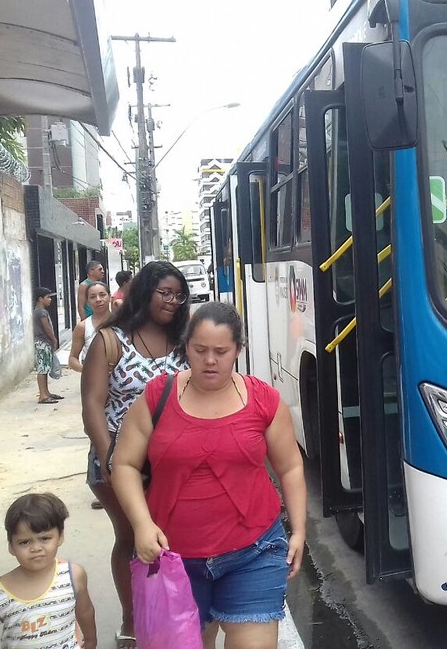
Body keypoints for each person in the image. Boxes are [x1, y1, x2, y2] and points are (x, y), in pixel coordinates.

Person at [112, 301, 306, 648]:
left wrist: (299, 531)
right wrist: (142, 524)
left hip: (254, 552)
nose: (210, 360)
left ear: (237, 351)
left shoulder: (264, 401)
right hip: (172, 559)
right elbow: (124, 463)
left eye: (221, 351)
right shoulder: (159, 394)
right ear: (186, 346)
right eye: (200, 350)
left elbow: (290, 466)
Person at [80, 260, 190, 649]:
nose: (173, 301)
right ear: (145, 292)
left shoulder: (183, 339)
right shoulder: (110, 339)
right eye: (165, 293)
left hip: (171, 459)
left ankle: (167, 611)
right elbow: (92, 405)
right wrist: (110, 460)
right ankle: (132, 619)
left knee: (169, 537)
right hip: (116, 454)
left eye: (179, 295)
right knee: (130, 536)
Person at [0, 492, 96, 649]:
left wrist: (90, 639)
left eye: (45, 538)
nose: (36, 548)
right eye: (24, 542)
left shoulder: (73, 575)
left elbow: (85, 611)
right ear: (11, 546)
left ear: (60, 536)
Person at [68, 282, 111, 372]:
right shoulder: (83, 327)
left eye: (102, 295)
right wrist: (87, 372)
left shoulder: (123, 323)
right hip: (94, 382)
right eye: (92, 297)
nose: (98, 300)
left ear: (110, 297)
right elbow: (72, 358)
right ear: (87, 301)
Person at [33, 287, 62, 405]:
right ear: (40, 299)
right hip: (42, 342)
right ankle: (43, 395)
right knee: (42, 368)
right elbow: (47, 327)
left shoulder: (38, 311)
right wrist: (54, 339)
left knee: (45, 368)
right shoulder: (41, 312)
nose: (50, 300)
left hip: (41, 342)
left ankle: (46, 392)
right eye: (48, 297)